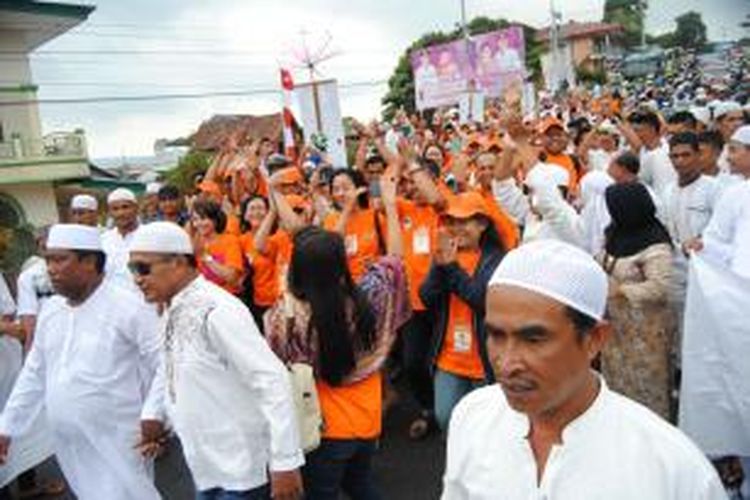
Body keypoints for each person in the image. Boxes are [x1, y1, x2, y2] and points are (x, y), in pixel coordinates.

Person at [442, 239, 726, 499]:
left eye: (533, 339)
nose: (507, 363)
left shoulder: (672, 468)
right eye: (496, 335)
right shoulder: (473, 416)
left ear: (594, 340)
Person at [128, 221, 304, 500]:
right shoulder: (171, 306)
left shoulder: (218, 309)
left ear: (176, 262)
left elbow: (271, 380)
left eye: (142, 268)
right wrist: (154, 413)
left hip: (242, 468)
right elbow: (170, 367)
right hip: (205, 462)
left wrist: (285, 461)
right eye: (132, 269)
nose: (136, 278)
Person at [265, 171, 411, 500]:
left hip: (322, 427)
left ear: (297, 269)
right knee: (361, 485)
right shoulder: (370, 297)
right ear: (343, 263)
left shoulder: (286, 318)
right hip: (368, 417)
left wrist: (274, 193)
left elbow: (274, 373)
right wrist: (389, 204)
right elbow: (396, 263)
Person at [0, 224, 163, 500]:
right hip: (70, 443)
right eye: (48, 259)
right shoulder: (52, 311)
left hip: (119, 438)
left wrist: (155, 416)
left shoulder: (128, 307)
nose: (50, 268)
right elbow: (33, 374)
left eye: (59, 259)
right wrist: (6, 428)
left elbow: (163, 364)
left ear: (89, 261)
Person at [420, 192, 505, 431]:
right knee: (446, 418)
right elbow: (426, 298)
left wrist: (451, 267)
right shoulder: (446, 255)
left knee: (486, 428)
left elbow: (482, 301)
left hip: (485, 361)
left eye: (464, 221)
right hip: (449, 358)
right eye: (452, 222)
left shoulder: (496, 260)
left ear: (482, 224)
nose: (457, 228)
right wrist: (439, 266)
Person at [598, 182, 675, 421]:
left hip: (645, 332)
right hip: (616, 330)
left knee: (645, 387)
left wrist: (620, 291)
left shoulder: (655, 243)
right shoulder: (614, 233)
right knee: (617, 385)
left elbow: (660, 287)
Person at [689, 125, 750, 279]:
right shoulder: (735, 191)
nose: (728, 158)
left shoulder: (737, 192)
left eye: (733, 150)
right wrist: (704, 246)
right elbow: (719, 242)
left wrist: (705, 246)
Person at [323, 169, 383, 282]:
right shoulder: (331, 220)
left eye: (346, 188)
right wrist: (347, 209)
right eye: (336, 189)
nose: (341, 194)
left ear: (359, 189)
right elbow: (332, 245)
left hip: (374, 285)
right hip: (345, 286)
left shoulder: (374, 216)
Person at [191, 199, 245, 295]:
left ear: (215, 220)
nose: (198, 223)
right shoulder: (196, 242)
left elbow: (232, 277)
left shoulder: (230, 240)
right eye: (195, 219)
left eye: (203, 219)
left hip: (228, 298)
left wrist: (205, 257)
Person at [627, 111, 677, 199]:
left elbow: (663, 188)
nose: (635, 134)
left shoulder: (665, 153)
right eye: (634, 131)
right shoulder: (643, 150)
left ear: (652, 129)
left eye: (638, 130)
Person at [101, 187, 141, 292]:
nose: (121, 213)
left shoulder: (149, 235)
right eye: (115, 209)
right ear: (109, 212)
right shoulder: (103, 240)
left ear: (136, 208)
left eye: (125, 207)